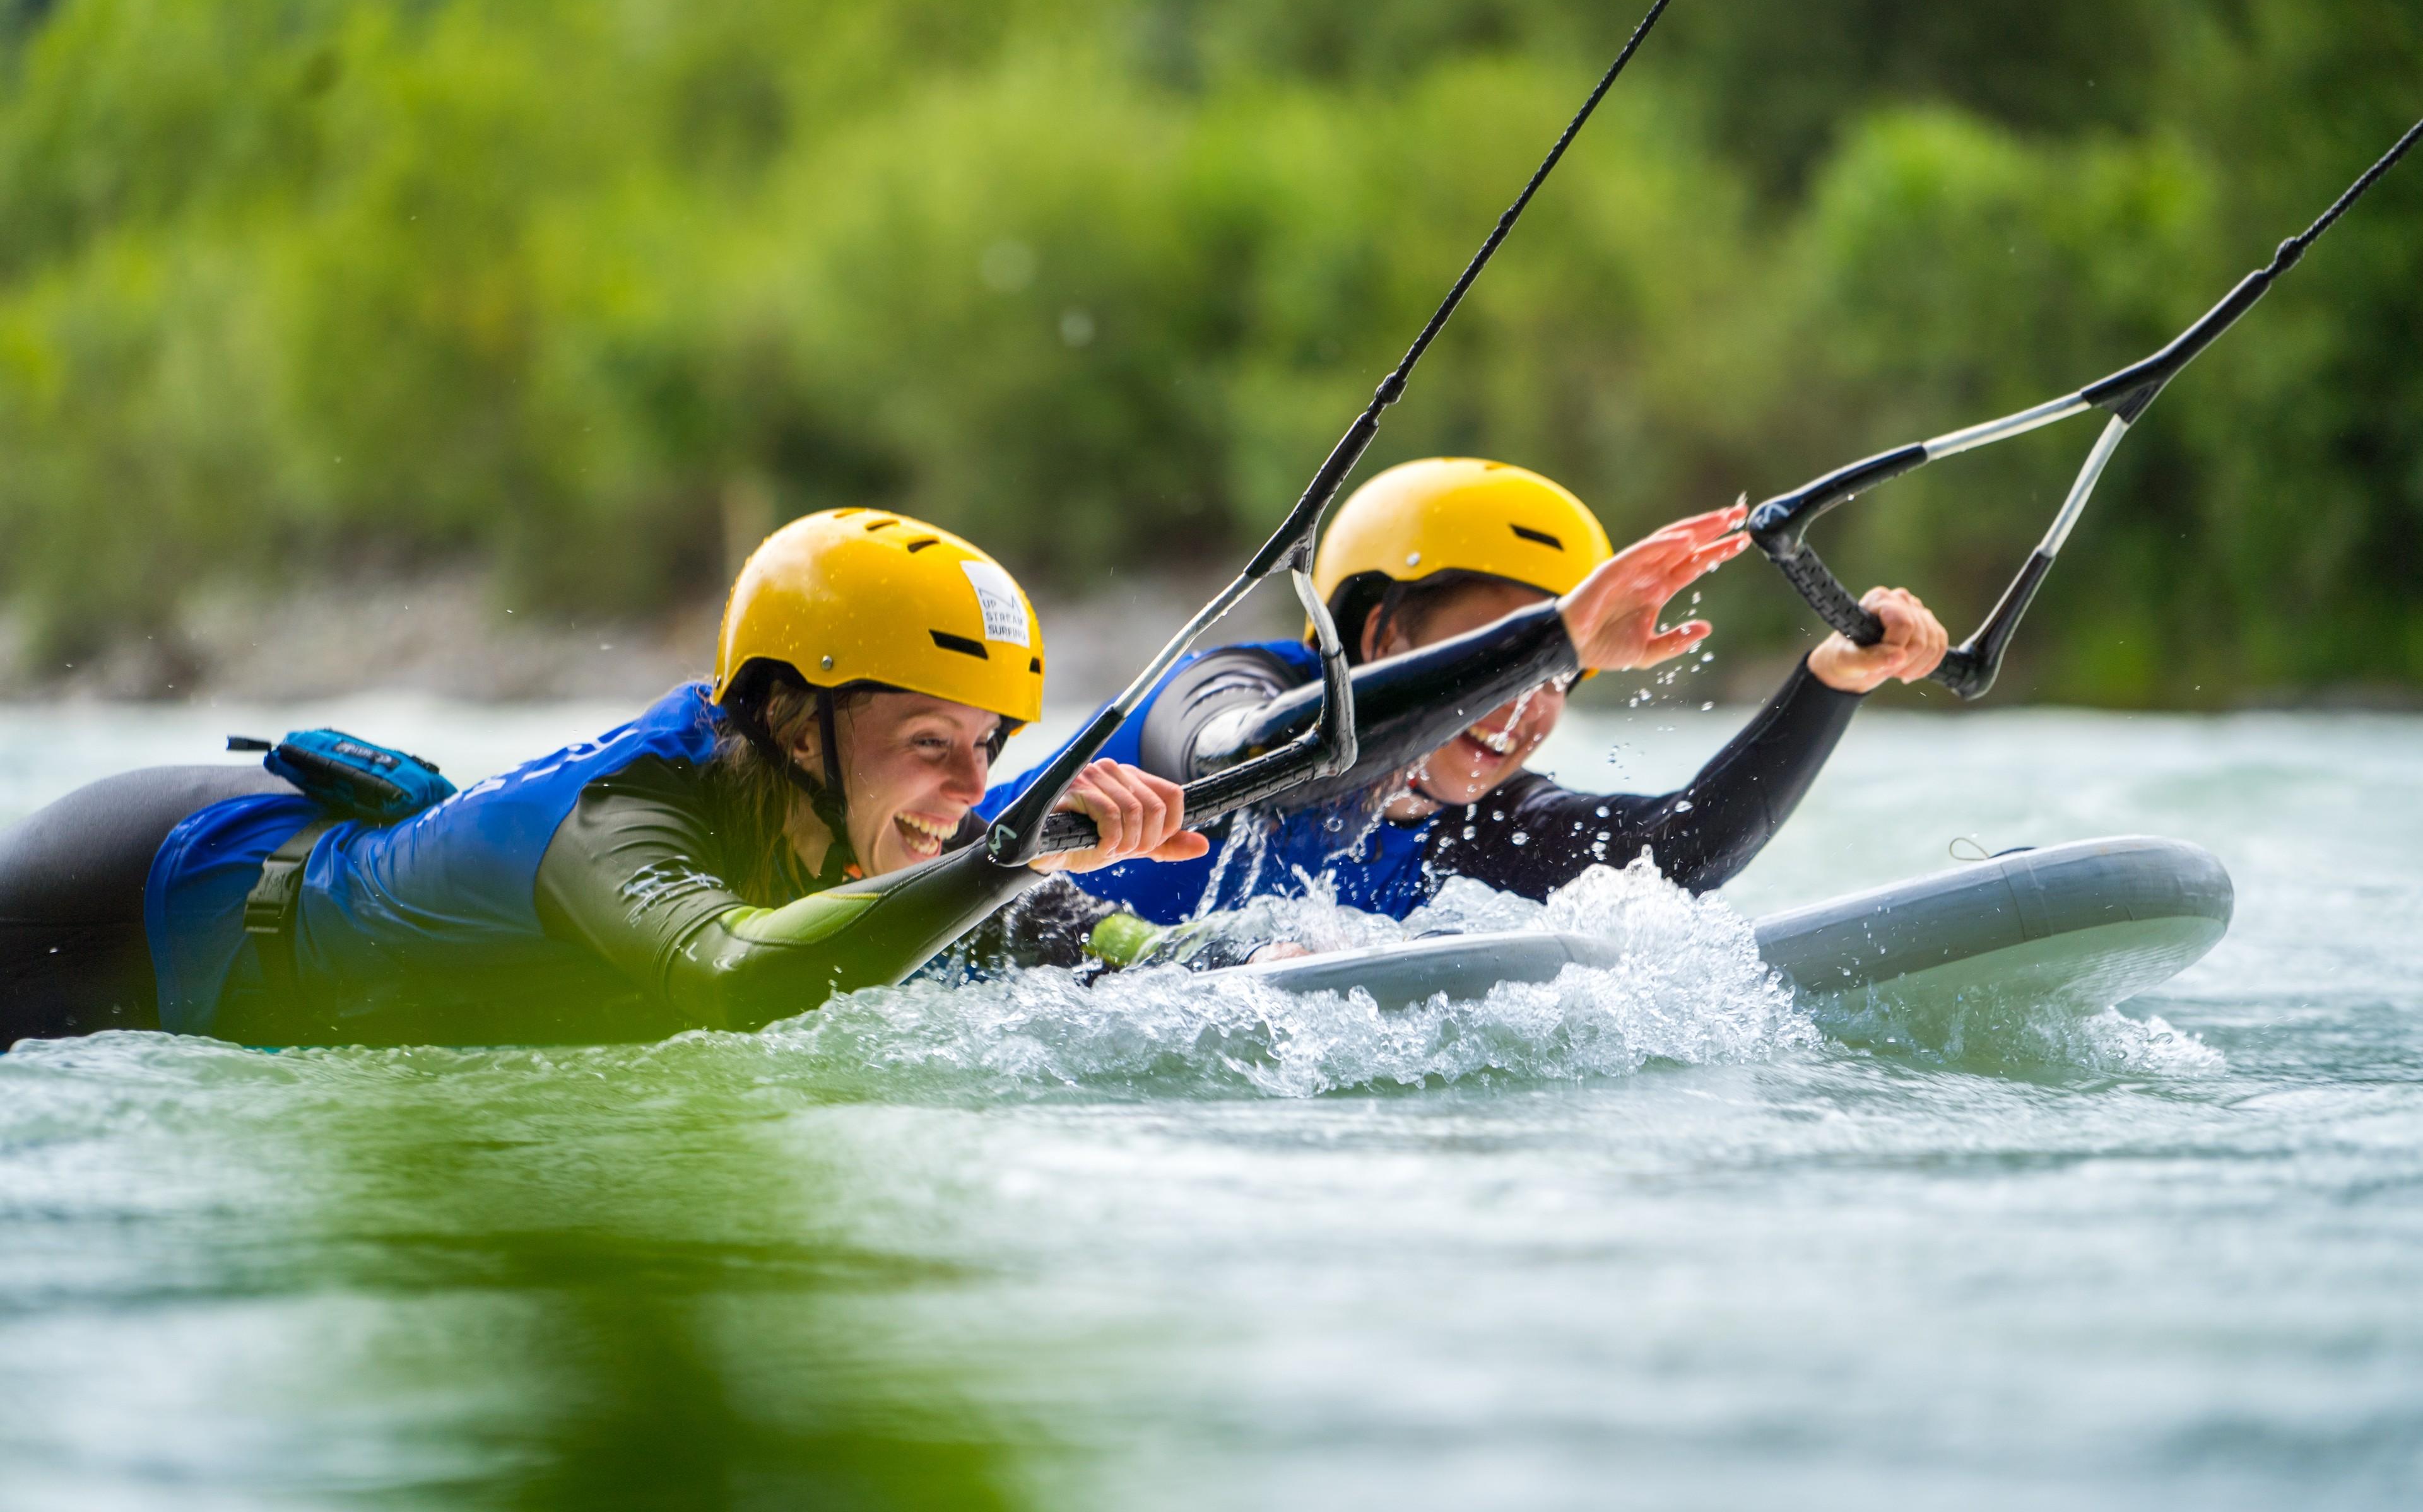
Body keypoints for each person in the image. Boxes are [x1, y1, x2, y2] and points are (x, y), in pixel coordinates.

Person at [0, 510, 1203, 1050]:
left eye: (988, 748)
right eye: (930, 743)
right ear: (794, 723)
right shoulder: (621, 824)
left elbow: (1048, 932)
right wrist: (1021, 849)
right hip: (120, 903)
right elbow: (739, 983)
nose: (968, 787)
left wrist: (1224, 968)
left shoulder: (863, 819)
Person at [977, 457, 1948, 945]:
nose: (1524, 702)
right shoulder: (1231, 692)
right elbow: (1262, 761)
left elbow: (1679, 852)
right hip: (936, 918)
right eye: (1489, 657)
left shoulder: (1479, 826)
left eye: (1558, 679)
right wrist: (1556, 639)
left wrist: (1830, 683)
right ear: (1380, 638)